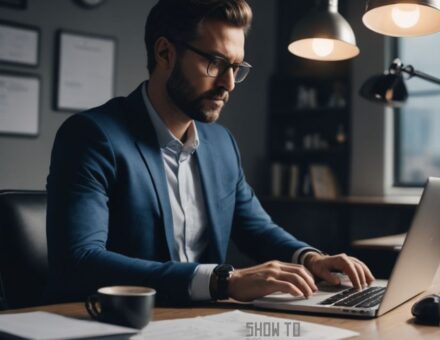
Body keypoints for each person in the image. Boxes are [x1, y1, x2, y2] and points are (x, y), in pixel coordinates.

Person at [45, 0, 374, 305]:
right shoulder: (92, 136)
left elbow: (257, 229)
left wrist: (311, 258)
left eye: (236, 67)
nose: (229, 83)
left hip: (206, 324)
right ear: (164, 54)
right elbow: (80, 260)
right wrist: (221, 281)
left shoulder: (221, 145)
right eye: (216, 63)